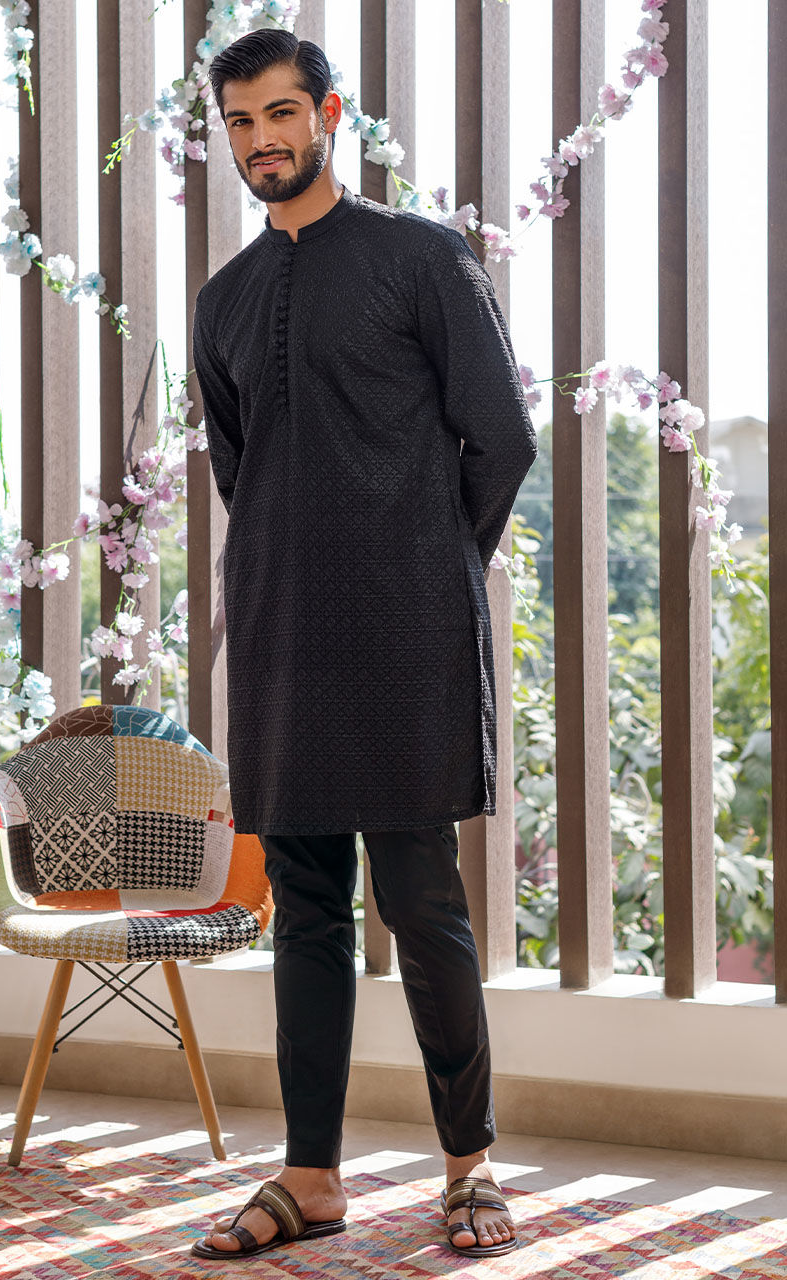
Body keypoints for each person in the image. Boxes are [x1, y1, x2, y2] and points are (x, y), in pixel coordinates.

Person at [190, 26, 537, 1263]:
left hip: (404, 632)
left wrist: (430, 566)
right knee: (305, 909)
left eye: (282, 113)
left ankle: (470, 1163)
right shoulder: (223, 301)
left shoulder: (422, 258)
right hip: (280, 634)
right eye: (241, 122)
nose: (262, 140)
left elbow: (502, 438)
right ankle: (312, 1174)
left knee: (423, 898)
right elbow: (244, 473)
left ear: (329, 114)